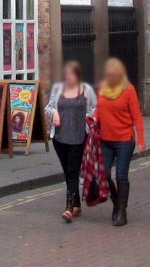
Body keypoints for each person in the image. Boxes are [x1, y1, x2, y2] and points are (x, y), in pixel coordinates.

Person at [44, 61, 97, 223]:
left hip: (78, 138)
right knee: (68, 171)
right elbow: (48, 107)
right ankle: (76, 204)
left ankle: (69, 208)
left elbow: (94, 109)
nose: (68, 77)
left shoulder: (86, 90)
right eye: (66, 74)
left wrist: (88, 123)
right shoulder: (58, 89)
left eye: (71, 74)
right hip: (60, 138)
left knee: (72, 170)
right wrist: (53, 113)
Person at [95, 58, 144, 227]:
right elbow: (99, 110)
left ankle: (122, 212)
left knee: (121, 175)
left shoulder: (129, 90)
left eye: (113, 74)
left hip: (124, 139)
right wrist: (93, 119)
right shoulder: (102, 88)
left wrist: (141, 141)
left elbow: (137, 116)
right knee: (105, 175)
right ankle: (117, 203)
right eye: (108, 74)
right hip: (105, 139)